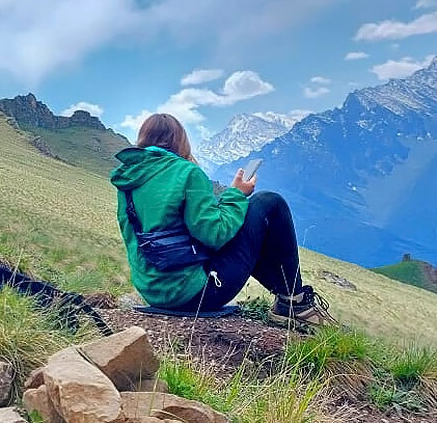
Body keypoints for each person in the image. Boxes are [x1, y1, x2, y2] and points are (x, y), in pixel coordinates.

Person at [110, 113, 335, 330]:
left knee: (246, 222)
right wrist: (236, 193)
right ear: (180, 141)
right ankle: (294, 303)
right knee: (269, 202)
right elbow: (215, 234)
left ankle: (288, 298)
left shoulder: (128, 180)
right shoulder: (187, 172)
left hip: (153, 292)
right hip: (197, 294)